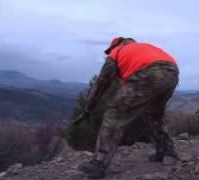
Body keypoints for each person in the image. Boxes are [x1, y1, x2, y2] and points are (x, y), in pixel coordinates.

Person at [76, 37, 180, 178]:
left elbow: (101, 84)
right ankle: (167, 152)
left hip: (149, 73)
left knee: (114, 114)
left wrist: (88, 109)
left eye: (109, 50)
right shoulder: (144, 47)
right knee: (154, 115)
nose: (109, 53)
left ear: (117, 45)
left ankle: (99, 163)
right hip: (172, 73)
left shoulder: (116, 52)